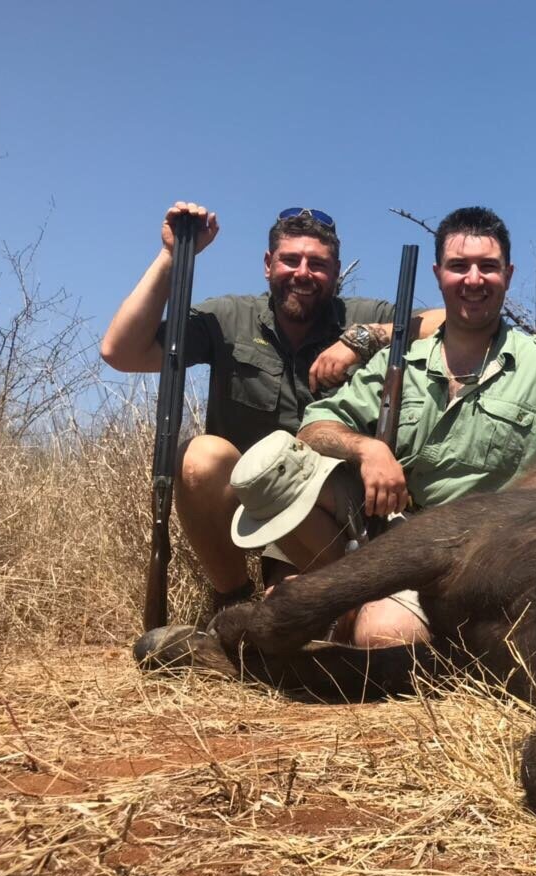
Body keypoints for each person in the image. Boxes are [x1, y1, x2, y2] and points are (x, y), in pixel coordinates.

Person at [223, 205, 536, 650]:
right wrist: (368, 451)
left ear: (508, 275)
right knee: (282, 471)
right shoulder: (399, 363)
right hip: (392, 535)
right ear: (439, 274)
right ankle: (331, 598)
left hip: (476, 557)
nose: (473, 280)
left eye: (487, 267)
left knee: (385, 635)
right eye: (459, 267)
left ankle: (351, 610)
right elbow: (314, 428)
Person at [101, 202, 442, 610]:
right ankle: (230, 601)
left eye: (317, 264)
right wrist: (172, 257)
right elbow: (120, 352)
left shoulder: (362, 316)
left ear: (335, 273)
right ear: (268, 264)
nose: (303, 273)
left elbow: (450, 323)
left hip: (322, 510)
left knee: (291, 602)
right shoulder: (229, 317)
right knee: (200, 458)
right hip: (249, 499)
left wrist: (366, 338)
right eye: (290, 260)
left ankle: (317, 597)